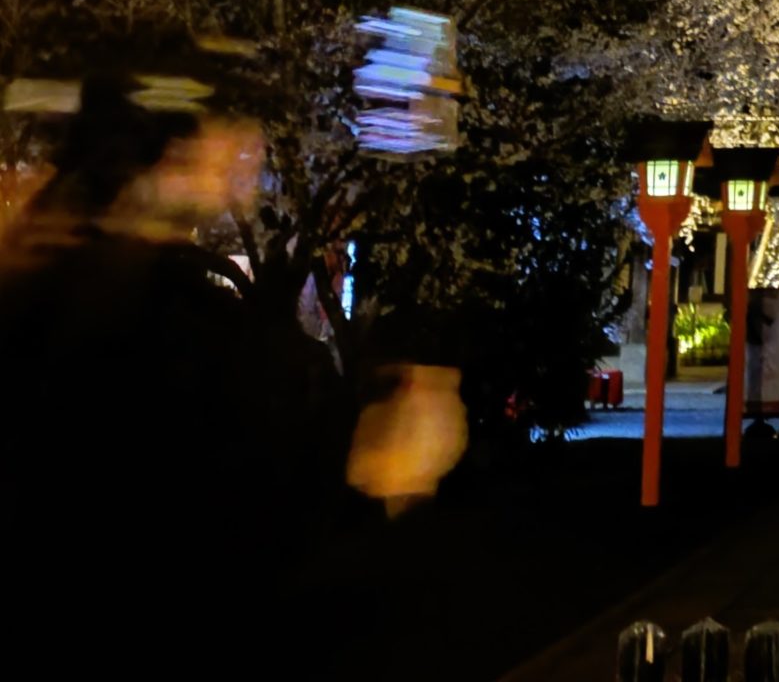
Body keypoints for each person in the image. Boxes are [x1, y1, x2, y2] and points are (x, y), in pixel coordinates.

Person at [0, 42, 467, 669]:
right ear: (175, 152)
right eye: (232, 127)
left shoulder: (37, 291)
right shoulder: (198, 342)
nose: (252, 147)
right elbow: (264, 577)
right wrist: (389, 482)